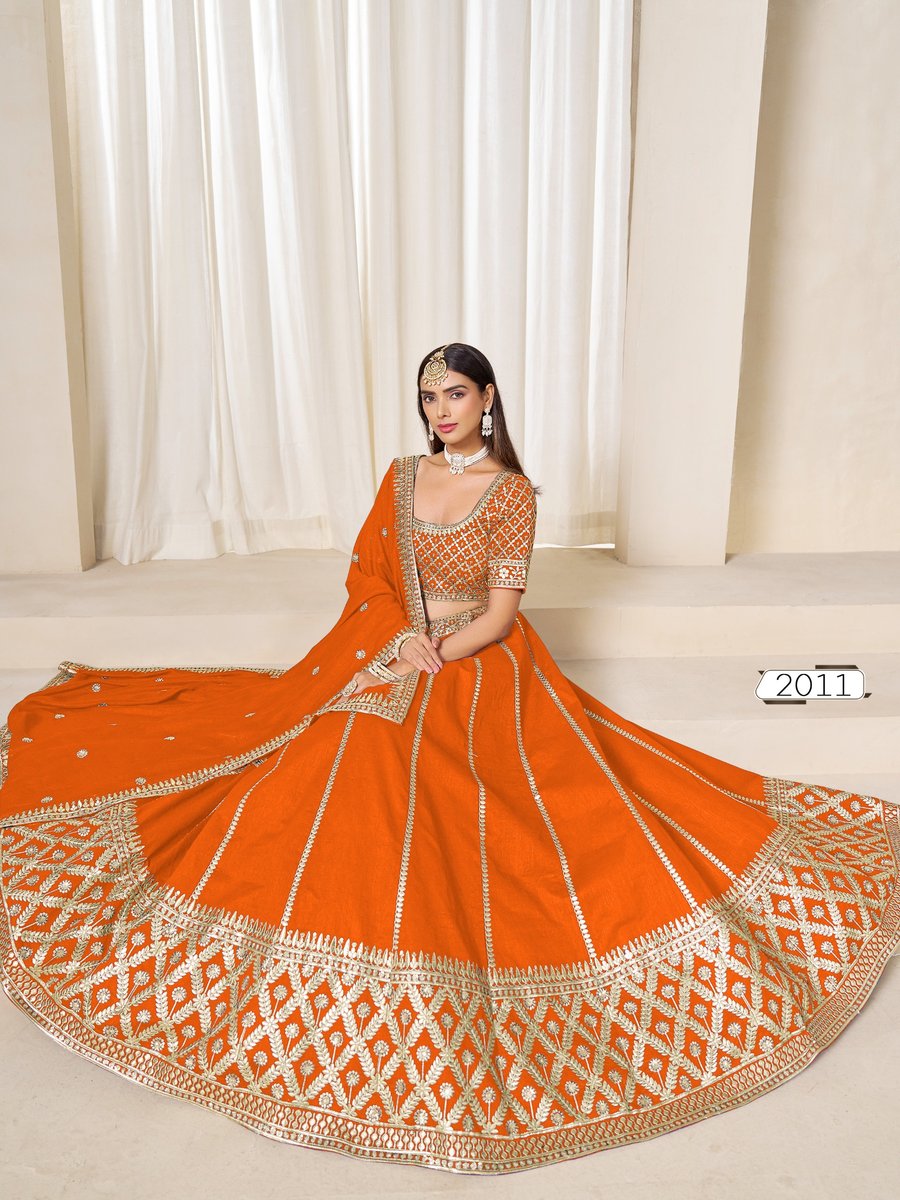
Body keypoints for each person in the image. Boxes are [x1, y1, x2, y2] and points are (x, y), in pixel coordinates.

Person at [0, 342, 897, 1175]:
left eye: (456, 393)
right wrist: (396, 639)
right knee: (331, 739)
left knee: (430, 774)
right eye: (429, 395)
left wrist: (432, 653)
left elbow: (502, 616)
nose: (440, 409)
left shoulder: (512, 493)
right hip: (394, 645)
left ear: (488, 398)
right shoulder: (400, 477)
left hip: (479, 661)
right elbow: (368, 579)